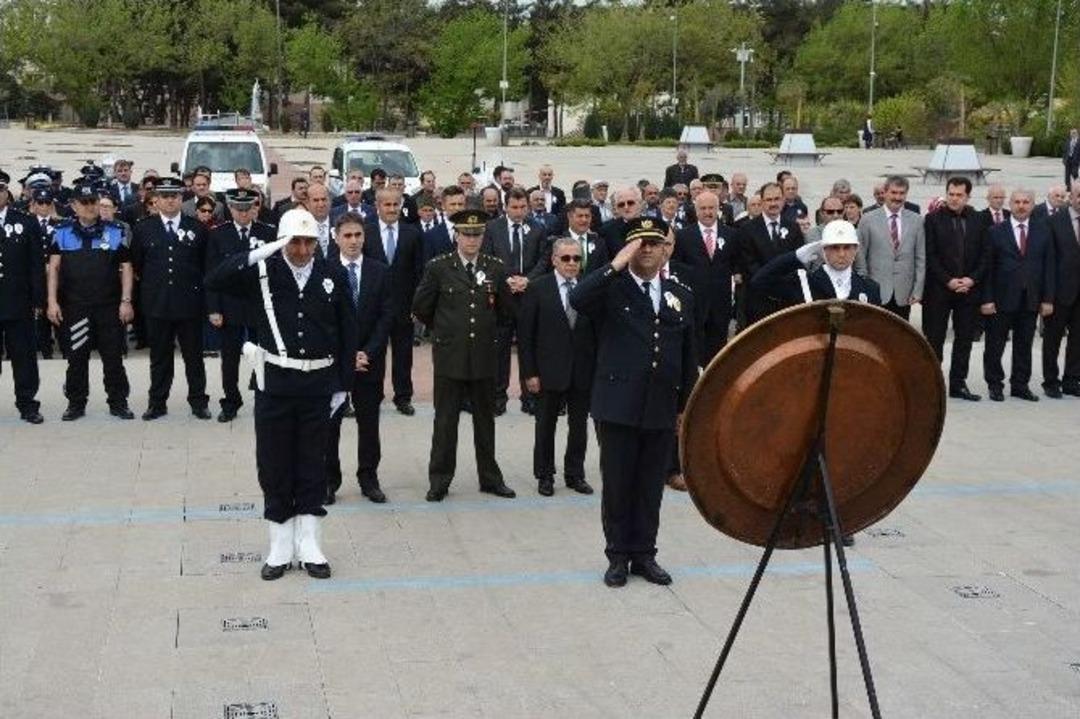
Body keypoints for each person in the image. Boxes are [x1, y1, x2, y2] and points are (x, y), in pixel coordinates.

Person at [205, 208, 357, 580]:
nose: (302, 250)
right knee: (273, 464)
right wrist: (263, 251)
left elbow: (347, 330)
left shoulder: (331, 274)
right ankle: (279, 544)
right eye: (295, 242)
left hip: (318, 385)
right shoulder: (263, 272)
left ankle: (310, 544)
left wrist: (344, 385)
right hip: (275, 384)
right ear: (283, 242)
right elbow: (215, 278)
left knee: (312, 463)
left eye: (308, 242)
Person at [569, 217, 696, 587]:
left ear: (665, 248)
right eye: (640, 243)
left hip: (660, 404)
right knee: (619, 483)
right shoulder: (612, 288)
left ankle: (645, 554)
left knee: (649, 485)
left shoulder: (680, 293)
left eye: (654, 242)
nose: (648, 249)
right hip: (618, 403)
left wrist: (685, 406)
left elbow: (688, 355)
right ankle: (617, 556)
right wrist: (615, 263)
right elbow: (578, 298)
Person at [412, 210, 516, 502]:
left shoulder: (495, 267)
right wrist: (445, 330)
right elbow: (421, 306)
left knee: (486, 421)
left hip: (483, 356)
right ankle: (439, 481)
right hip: (450, 356)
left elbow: (506, 309)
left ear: (484, 236)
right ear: (456, 235)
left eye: (477, 234)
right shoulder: (439, 267)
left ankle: (491, 479)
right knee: (445, 423)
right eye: (466, 234)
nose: (472, 240)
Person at [46, 182, 135, 421]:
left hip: (108, 306)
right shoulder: (61, 232)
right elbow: (53, 269)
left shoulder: (115, 231)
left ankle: (118, 402)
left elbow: (126, 268)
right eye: (84, 203)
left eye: (93, 202)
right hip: (75, 307)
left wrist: (126, 301)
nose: (90, 207)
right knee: (76, 357)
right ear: (73, 206)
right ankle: (76, 403)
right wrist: (52, 302)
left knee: (113, 357)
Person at [518, 237, 596, 498]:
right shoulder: (538, 288)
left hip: (582, 371)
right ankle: (545, 475)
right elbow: (526, 336)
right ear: (554, 260)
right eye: (566, 258)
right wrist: (529, 373)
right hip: (548, 371)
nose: (572, 263)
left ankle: (575, 474)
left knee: (579, 426)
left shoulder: (588, 288)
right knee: (546, 425)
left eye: (576, 258)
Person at [324, 212, 393, 504]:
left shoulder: (380, 270)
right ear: (336, 237)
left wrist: (369, 351)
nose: (353, 241)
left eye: (358, 235)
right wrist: (346, 355)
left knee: (369, 423)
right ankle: (328, 481)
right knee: (331, 424)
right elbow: (324, 320)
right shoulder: (324, 270)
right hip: (336, 362)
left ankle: (369, 478)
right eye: (347, 236)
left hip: (370, 360)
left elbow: (386, 316)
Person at [130, 177, 211, 420]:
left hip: (189, 304)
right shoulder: (144, 228)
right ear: (155, 200)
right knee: (159, 358)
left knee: (194, 358)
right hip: (157, 304)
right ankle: (157, 402)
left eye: (174, 196)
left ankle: (198, 402)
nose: (170, 200)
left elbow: (205, 267)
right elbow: (138, 266)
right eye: (164, 196)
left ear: (181, 198)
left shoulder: (196, 228)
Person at [205, 188, 276, 422]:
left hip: (260, 304)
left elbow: (275, 271)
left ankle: (263, 399)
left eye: (248, 208)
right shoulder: (218, 234)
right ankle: (231, 402)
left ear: (255, 207)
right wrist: (214, 308)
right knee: (230, 359)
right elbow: (211, 274)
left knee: (262, 355)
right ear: (230, 208)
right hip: (230, 305)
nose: (243, 213)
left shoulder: (267, 233)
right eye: (238, 208)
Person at [981, 190, 1055, 402]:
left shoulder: (1043, 231)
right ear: (1010, 204)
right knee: (995, 345)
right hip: (1001, 299)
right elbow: (988, 270)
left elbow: (1048, 267)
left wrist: (1048, 299)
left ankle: (1020, 385)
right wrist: (986, 299)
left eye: (1026, 202)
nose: (1021, 206)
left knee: (1024, 344)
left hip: (1030, 298)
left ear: (1033, 205)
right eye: (1017, 202)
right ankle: (995, 384)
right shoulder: (995, 231)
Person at [480, 187, 547, 415]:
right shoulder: (492, 228)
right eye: (514, 207)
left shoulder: (538, 229)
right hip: (502, 296)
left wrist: (527, 280)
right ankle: (498, 397)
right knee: (500, 349)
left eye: (523, 207)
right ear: (505, 206)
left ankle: (529, 398)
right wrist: (507, 279)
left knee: (528, 346)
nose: (519, 212)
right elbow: (487, 258)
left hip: (528, 295)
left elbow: (543, 260)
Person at [922, 177, 987, 401]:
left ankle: (958, 385)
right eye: (951, 193)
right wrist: (948, 280)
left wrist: (971, 279)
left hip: (968, 292)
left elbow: (985, 256)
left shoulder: (979, 220)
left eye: (959, 195)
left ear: (968, 196)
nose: (954, 198)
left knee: (964, 340)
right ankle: (931, 386)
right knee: (934, 340)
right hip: (939, 291)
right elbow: (930, 256)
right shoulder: (932, 220)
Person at [363, 187, 423, 415]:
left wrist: (416, 306)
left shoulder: (412, 233)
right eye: (387, 205)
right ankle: (373, 395)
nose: (391, 209)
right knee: (374, 353)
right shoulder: (365, 232)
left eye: (395, 204)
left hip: (403, 307)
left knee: (403, 355)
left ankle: (403, 397)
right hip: (374, 308)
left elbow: (419, 273)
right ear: (377, 206)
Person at [0, 169, 45, 423]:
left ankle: (28, 404)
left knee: (24, 357)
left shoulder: (26, 222)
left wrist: (38, 300)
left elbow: (36, 265)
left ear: (7, 193)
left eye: (0, 190)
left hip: (18, 302)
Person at [673, 190, 739, 365]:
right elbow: (677, 268)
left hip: (720, 303)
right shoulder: (683, 236)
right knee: (694, 348)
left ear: (718, 209)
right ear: (696, 211)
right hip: (694, 303)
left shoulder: (731, 235)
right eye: (703, 208)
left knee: (718, 352)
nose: (708, 212)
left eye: (711, 208)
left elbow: (736, 265)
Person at [751, 220, 881, 305]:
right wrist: (795, 257)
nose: (842, 254)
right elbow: (759, 282)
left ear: (856, 249)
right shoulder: (804, 284)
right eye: (835, 247)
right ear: (824, 249)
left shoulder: (870, 289)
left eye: (847, 247)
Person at [854, 175, 925, 319]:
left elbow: (920, 258)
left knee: (900, 336)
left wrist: (917, 290)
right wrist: (864, 286)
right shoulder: (867, 219)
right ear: (885, 193)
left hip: (904, 292)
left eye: (901, 193)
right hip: (876, 290)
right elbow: (861, 256)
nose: (897, 197)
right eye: (893, 192)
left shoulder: (917, 221)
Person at [740, 181, 805, 323]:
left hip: (787, 301)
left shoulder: (794, 228)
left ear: (783, 200)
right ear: (762, 202)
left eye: (777, 199)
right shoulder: (747, 230)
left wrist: (784, 287)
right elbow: (749, 265)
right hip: (759, 301)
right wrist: (771, 284)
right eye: (769, 200)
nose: (773, 203)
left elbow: (798, 261)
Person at [1041, 182, 1080, 398]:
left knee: (1077, 340)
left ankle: (1072, 380)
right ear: (1070, 197)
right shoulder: (1054, 221)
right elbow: (1048, 262)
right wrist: (1047, 297)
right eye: (1078, 195)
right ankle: (1051, 381)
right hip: (1058, 294)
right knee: (1052, 340)